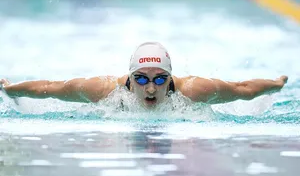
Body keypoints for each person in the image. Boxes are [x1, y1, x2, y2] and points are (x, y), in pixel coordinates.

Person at [0, 42, 288, 109]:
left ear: (171, 79)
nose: (151, 88)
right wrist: (12, 90)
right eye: (141, 79)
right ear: (130, 77)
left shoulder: (193, 90)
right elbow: (50, 87)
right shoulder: (102, 90)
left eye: (160, 79)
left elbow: (243, 88)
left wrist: (275, 85)